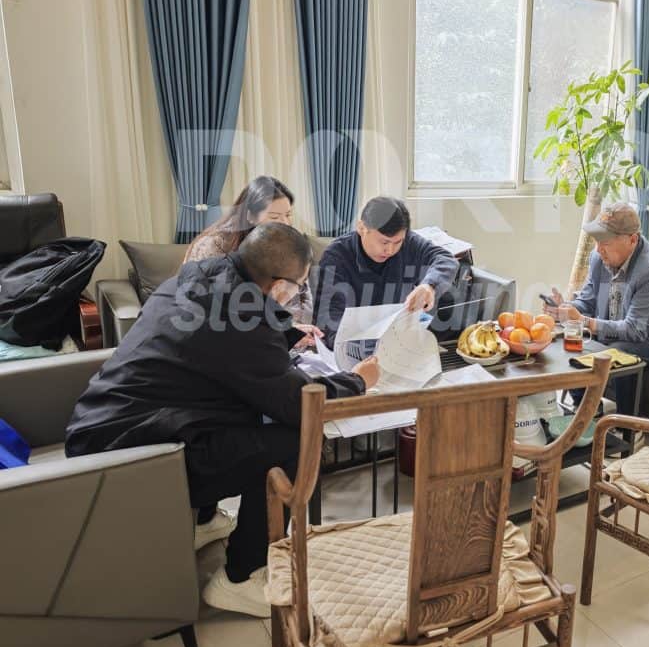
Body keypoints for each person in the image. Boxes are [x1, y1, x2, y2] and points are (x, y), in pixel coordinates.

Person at [66, 223, 379, 618]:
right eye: (297, 287)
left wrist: (282, 332)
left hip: (105, 424)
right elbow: (298, 403)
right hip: (131, 457)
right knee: (291, 439)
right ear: (278, 283)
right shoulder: (240, 317)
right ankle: (240, 577)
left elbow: (214, 347)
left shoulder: (199, 276)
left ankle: (205, 520)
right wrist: (358, 380)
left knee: (231, 405)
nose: (295, 296)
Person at [545, 202, 649, 413]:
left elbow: (635, 330)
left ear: (632, 240)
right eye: (597, 241)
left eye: (605, 242)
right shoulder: (599, 258)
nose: (598, 249)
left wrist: (584, 321)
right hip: (624, 328)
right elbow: (587, 302)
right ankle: (587, 412)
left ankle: (630, 426)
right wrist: (565, 309)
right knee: (573, 339)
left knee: (619, 354)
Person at [314, 196, 458, 349]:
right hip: (354, 343)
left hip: (398, 340)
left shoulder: (409, 242)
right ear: (362, 228)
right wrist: (350, 350)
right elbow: (329, 319)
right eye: (384, 242)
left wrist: (429, 285)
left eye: (397, 242)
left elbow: (445, 259)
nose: (390, 250)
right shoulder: (336, 256)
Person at [184, 176, 315, 329]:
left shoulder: (284, 244)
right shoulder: (214, 246)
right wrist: (284, 330)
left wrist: (293, 329)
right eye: (274, 217)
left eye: (288, 215)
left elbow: (299, 301)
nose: (285, 223)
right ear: (250, 216)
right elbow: (211, 305)